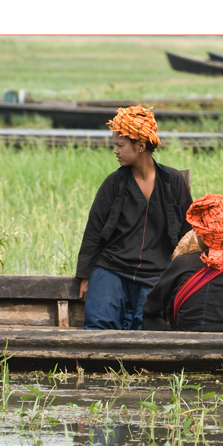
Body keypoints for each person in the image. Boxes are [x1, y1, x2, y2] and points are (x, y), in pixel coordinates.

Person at [75, 105, 192, 330]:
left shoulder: (172, 181)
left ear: (140, 146)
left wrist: (184, 273)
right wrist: (85, 276)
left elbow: (188, 233)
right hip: (112, 267)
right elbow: (93, 231)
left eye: (120, 145)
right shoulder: (114, 183)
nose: (115, 151)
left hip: (158, 270)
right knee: (99, 324)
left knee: (147, 327)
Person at [142, 195, 223, 333]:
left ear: (201, 232)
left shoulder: (181, 264)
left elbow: (149, 312)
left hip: (185, 349)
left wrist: (174, 334)